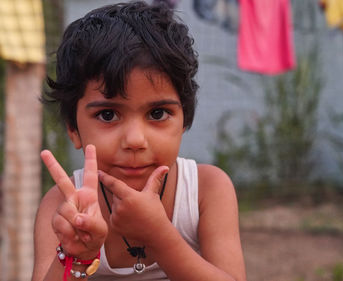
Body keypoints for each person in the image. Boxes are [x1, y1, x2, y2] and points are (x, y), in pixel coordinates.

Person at [32, 1, 247, 280]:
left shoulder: (206, 190)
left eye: (158, 113)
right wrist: (77, 255)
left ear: (183, 120)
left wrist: (158, 235)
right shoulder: (64, 204)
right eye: (108, 115)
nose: (135, 140)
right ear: (73, 128)